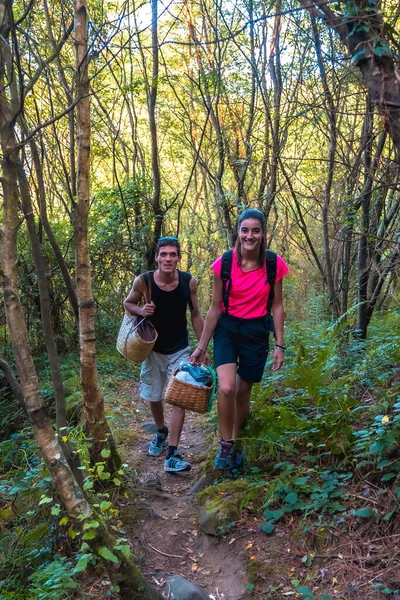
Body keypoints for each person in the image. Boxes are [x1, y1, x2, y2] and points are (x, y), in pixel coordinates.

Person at [190, 209, 289, 470]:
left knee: (243, 392)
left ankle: (237, 438)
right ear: (238, 232)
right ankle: (226, 445)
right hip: (227, 329)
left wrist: (280, 345)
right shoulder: (223, 264)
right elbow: (213, 308)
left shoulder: (273, 264)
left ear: (263, 233)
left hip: (257, 332)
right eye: (245, 230)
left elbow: (277, 306)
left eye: (255, 230)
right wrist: (201, 346)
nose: (250, 235)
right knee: (226, 388)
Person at [124, 237, 209, 473]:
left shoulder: (188, 282)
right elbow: (128, 303)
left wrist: (202, 346)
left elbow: (196, 314)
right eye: (164, 254)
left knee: (179, 396)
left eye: (173, 254)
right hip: (152, 349)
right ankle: (161, 431)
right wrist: (142, 309)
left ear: (179, 257)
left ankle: (172, 453)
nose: (168, 259)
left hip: (180, 349)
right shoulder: (144, 281)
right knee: (154, 395)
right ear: (157, 258)